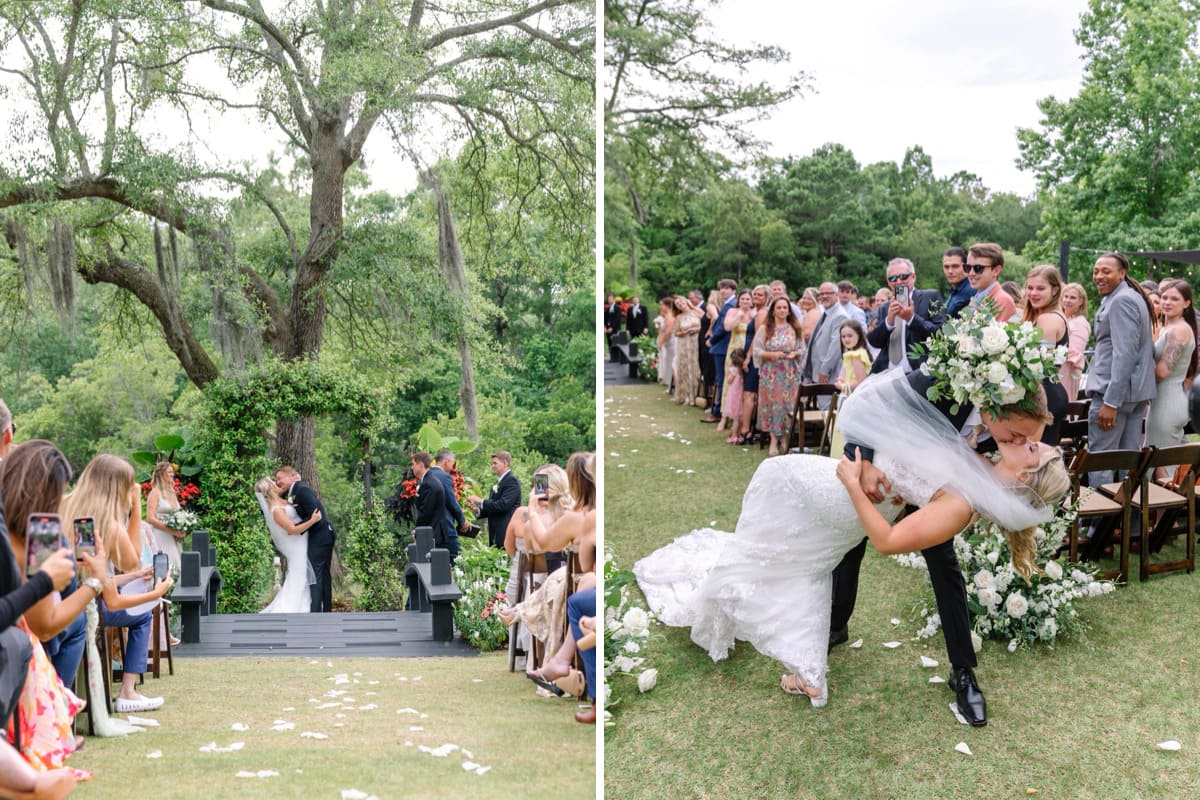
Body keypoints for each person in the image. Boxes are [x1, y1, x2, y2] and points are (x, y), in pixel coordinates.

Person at [634, 368, 1068, 712]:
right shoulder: (948, 381)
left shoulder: (983, 479)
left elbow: (908, 518)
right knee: (823, 554)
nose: (1021, 441)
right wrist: (862, 463)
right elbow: (870, 406)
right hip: (875, 486)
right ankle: (831, 628)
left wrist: (867, 484)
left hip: (899, 502)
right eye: (1019, 436)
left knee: (936, 566)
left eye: (1027, 444)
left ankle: (963, 671)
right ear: (1000, 405)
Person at [59, 454, 173, 714]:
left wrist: (132, 577)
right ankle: (128, 691)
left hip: (61, 600)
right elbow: (131, 560)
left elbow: (87, 571)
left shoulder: (67, 509)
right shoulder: (108, 523)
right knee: (143, 616)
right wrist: (136, 508)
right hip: (87, 609)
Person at [0, 443, 89, 690]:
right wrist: (95, 582)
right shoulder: (38, 541)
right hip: (17, 664)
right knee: (77, 624)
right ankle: (61, 695)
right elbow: (45, 625)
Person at [1087, 252, 1156, 463]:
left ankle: (1098, 498)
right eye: (1096, 271)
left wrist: (1111, 402)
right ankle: (1127, 498)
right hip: (1135, 396)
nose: (1099, 276)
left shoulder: (1121, 301)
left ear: (1122, 273)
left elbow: (1125, 354)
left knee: (1101, 462)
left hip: (1115, 395)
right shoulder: (1131, 296)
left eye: (1106, 271)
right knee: (1128, 463)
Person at [254, 477, 323, 613]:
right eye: (273, 483)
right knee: (299, 575)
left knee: (302, 574)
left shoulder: (281, 501)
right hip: (296, 546)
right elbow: (291, 530)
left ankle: (305, 605)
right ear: (270, 489)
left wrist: (294, 479)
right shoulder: (275, 510)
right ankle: (291, 607)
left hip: (302, 541)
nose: (276, 484)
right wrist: (313, 520)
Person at [866, 257, 946, 375]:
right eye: (893, 278)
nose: (898, 281)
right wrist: (889, 321)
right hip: (887, 372)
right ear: (888, 282)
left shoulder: (929, 297)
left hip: (918, 372)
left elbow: (941, 333)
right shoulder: (885, 307)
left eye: (903, 276)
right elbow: (874, 342)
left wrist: (911, 318)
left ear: (913, 277)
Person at [274, 466, 336, 612]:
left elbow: (316, 516)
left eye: (280, 478)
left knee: (316, 574)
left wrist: (296, 529)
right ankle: (326, 609)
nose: (277, 482)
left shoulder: (302, 490)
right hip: (321, 535)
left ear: (290, 477)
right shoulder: (293, 492)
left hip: (321, 536)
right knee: (323, 574)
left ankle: (316, 611)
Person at [1145, 279, 1197, 449]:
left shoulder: (1179, 330)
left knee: (1159, 466)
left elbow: (1162, 373)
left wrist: (1135, 372)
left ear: (1187, 303)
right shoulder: (1169, 327)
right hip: (1164, 401)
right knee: (1159, 465)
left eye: (1174, 299)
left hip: (1167, 404)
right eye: (1164, 298)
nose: (1167, 302)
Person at [1022, 265, 1070, 444]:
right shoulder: (1052, 315)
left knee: (1035, 462)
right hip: (1050, 393)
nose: (1033, 293)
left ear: (1055, 289)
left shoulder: (1047, 318)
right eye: (1030, 287)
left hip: (1043, 397)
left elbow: (1039, 366)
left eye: (1040, 288)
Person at [752, 296, 805, 456]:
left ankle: (786, 439)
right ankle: (773, 439)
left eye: (785, 308)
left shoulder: (795, 328)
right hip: (771, 374)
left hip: (790, 374)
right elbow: (757, 350)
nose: (782, 310)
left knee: (788, 405)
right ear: (773, 311)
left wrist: (795, 353)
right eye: (779, 308)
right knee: (772, 404)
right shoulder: (765, 329)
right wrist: (771, 354)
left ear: (789, 310)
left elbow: (803, 349)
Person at [716, 291, 754, 434]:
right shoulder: (733, 311)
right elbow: (727, 327)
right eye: (742, 299)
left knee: (744, 385)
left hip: (748, 350)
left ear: (751, 301)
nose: (745, 301)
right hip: (735, 350)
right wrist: (739, 316)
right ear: (739, 300)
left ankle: (740, 418)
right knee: (730, 382)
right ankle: (724, 417)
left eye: (747, 299)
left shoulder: (755, 313)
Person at [700, 280, 738, 423]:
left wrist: (712, 340)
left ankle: (718, 413)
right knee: (721, 381)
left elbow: (722, 327)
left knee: (722, 381)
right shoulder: (728, 303)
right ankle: (719, 411)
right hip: (722, 345)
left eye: (727, 288)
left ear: (733, 290)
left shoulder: (730, 304)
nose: (723, 291)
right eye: (721, 288)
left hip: (723, 346)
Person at [409, 453, 458, 563]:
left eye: (413, 464)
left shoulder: (429, 484)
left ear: (420, 464)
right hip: (435, 531)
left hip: (435, 533)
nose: (412, 467)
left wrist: (417, 531)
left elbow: (426, 512)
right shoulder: (427, 480)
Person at [801, 282, 849, 390]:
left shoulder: (840, 315)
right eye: (822, 294)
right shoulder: (826, 312)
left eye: (828, 293)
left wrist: (824, 370)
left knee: (826, 406)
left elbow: (835, 347)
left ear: (836, 295)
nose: (824, 296)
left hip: (829, 375)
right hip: (818, 372)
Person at [469, 451, 521, 550]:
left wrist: (481, 500)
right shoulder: (499, 482)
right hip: (496, 532)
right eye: (492, 463)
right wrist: (478, 510)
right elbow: (494, 506)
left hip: (505, 531)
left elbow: (502, 505)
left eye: (495, 463)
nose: (492, 466)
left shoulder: (511, 481)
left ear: (505, 463)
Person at [142, 461, 185, 577]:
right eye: (169, 472)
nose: (172, 474)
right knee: (169, 565)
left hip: (174, 536)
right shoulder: (155, 493)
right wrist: (171, 531)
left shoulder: (172, 492)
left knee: (177, 564)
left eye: (172, 472)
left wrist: (183, 526)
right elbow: (150, 518)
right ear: (161, 474)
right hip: (161, 535)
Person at [963, 242, 1017, 321]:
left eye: (978, 268)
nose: (971, 273)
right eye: (967, 267)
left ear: (996, 270)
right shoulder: (976, 298)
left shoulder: (1002, 301)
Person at [1060, 282, 1092, 399]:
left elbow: (1074, 352)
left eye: (1072, 298)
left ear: (1081, 301)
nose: (1067, 300)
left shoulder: (1080, 323)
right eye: (1066, 296)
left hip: (1067, 372)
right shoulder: (1062, 318)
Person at [671, 295, 702, 406]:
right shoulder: (678, 317)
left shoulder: (697, 312)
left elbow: (706, 325)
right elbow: (676, 333)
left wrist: (695, 329)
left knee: (694, 367)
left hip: (695, 344)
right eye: (677, 304)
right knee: (684, 368)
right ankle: (685, 395)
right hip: (683, 344)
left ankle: (695, 395)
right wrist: (683, 333)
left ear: (686, 301)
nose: (680, 305)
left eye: (681, 302)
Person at [836, 321, 871, 393]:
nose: (846, 339)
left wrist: (842, 386)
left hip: (856, 397)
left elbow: (861, 382)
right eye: (843, 336)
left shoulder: (856, 355)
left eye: (850, 336)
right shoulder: (851, 354)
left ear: (859, 335)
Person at [942, 246, 976, 318]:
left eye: (955, 266)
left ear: (966, 267)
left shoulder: (972, 291)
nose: (950, 271)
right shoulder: (954, 291)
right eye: (946, 267)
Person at [654, 298, 676, 389]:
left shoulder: (669, 316)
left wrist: (662, 342)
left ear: (667, 305)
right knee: (668, 362)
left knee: (671, 363)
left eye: (661, 304)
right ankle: (670, 385)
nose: (660, 306)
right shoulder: (666, 315)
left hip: (671, 342)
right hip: (668, 343)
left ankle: (671, 385)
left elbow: (668, 332)